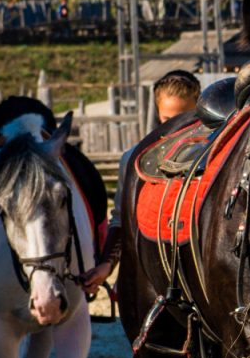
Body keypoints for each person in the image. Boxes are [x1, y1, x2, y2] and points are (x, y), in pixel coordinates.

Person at [80, 70, 203, 299]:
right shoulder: (135, 160)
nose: (177, 127)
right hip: (152, 272)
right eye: (168, 120)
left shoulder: (213, 158)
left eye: (186, 117)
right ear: (157, 114)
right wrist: (107, 266)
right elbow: (122, 218)